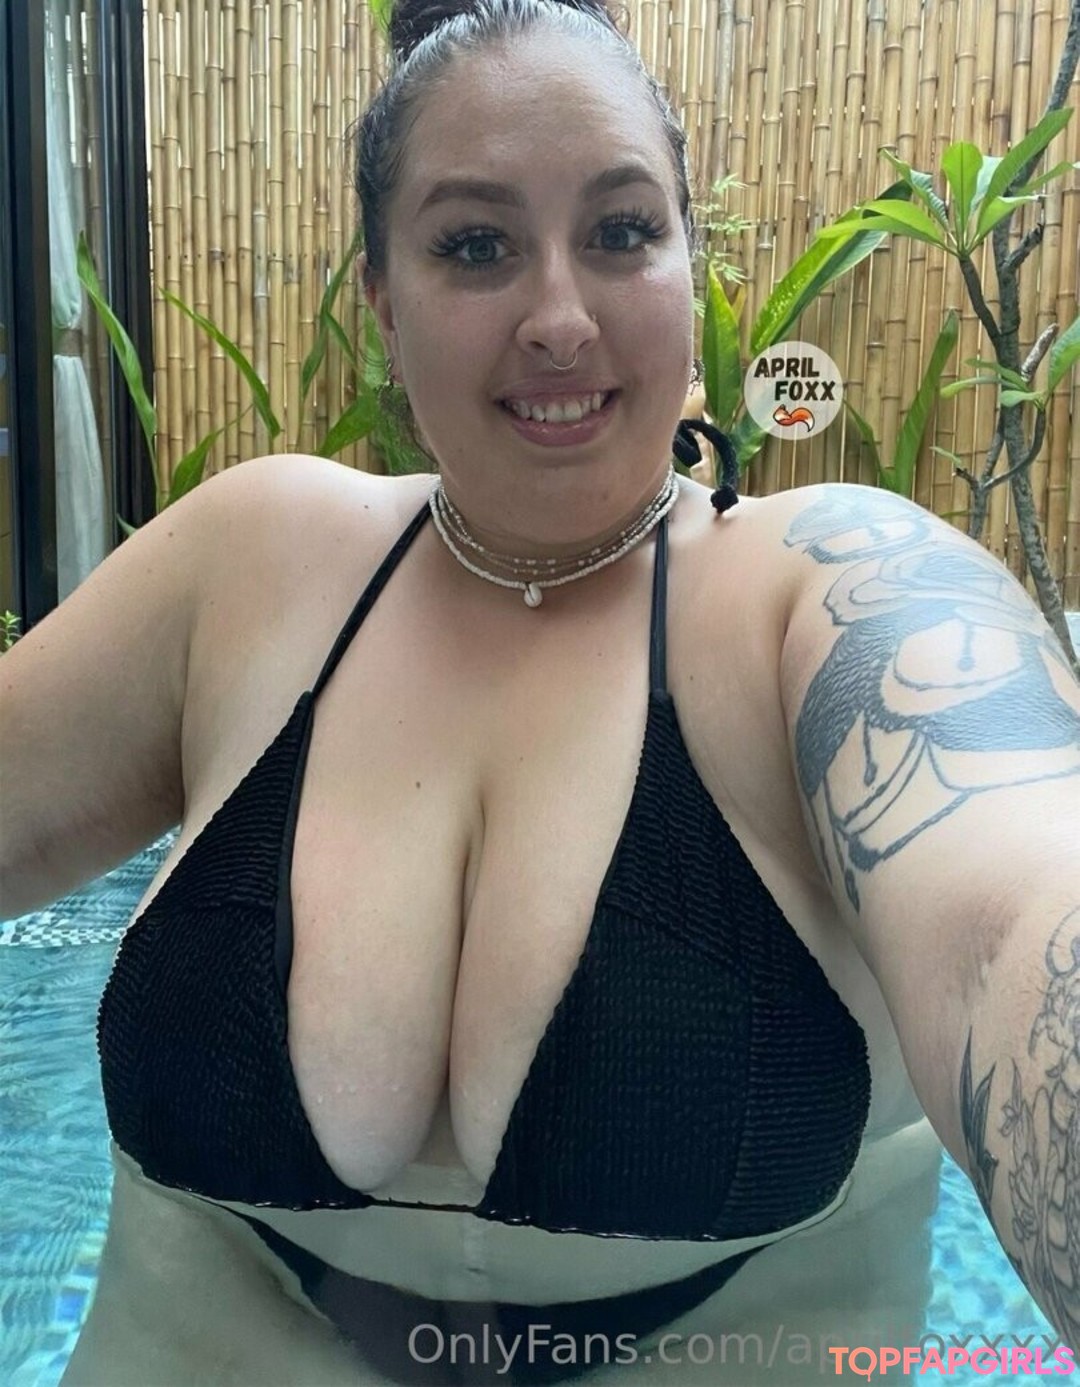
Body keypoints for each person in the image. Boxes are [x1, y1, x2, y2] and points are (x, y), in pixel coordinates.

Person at [3, 0, 1079, 1381]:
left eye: (622, 232)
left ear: (690, 265)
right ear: (382, 299)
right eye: (476, 246)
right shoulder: (249, 566)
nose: (561, 320)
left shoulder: (836, 593)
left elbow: (1013, 925)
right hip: (215, 1318)